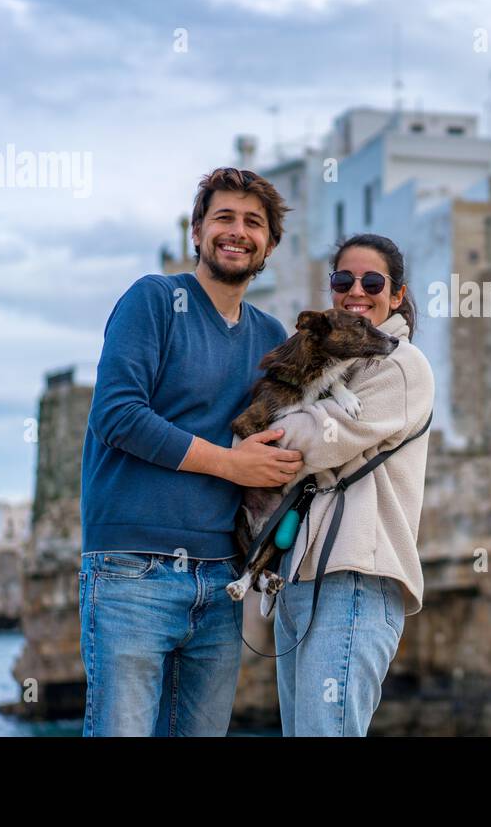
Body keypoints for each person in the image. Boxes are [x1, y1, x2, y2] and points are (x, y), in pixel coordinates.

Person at [77, 167, 304, 736]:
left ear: (270, 245)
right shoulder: (152, 300)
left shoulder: (270, 335)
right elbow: (117, 415)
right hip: (132, 571)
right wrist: (231, 463)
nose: (238, 231)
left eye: (254, 223)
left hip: (222, 580)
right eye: (223, 217)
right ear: (197, 232)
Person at [269, 233, 434, 736]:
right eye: (343, 279)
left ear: (397, 294)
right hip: (301, 580)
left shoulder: (400, 366)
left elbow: (317, 441)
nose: (356, 290)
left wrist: (269, 430)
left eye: (372, 281)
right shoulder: (341, 364)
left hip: (357, 579)